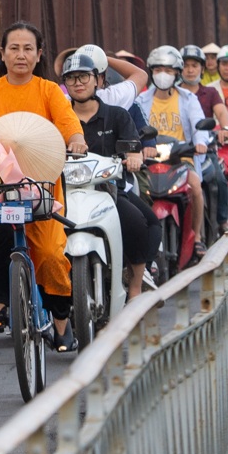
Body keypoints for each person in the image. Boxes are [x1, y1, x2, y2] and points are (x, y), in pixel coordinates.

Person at [0, 22, 89, 350]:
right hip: (1, 187)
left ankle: (60, 320)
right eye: (13, 48)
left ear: (39, 54)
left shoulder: (49, 91)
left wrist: (77, 139)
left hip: (42, 187)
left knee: (50, 255)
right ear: (2, 53)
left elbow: (69, 123)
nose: (20, 55)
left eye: (28, 48)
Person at [59, 46, 156, 299]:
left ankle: (135, 287)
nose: (78, 83)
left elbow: (133, 145)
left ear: (98, 79)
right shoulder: (58, 116)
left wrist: (134, 156)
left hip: (107, 190)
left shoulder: (118, 115)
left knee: (141, 223)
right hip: (65, 192)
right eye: (71, 77)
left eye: (84, 76)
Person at [138, 46, 210, 247]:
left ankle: (196, 237)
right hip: (150, 160)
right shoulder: (141, 100)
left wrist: (201, 143)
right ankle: (139, 242)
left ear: (177, 73)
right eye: (159, 70)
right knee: (134, 191)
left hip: (181, 159)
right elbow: (134, 127)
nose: (163, 75)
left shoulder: (188, 99)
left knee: (195, 186)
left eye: (169, 71)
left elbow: (198, 125)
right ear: (151, 72)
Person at [180, 45, 228, 238]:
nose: (190, 69)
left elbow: (221, 112)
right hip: (177, 151)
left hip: (204, 149)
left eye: (194, 65)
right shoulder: (173, 93)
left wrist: (224, 129)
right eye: (186, 65)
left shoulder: (210, 93)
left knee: (219, 178)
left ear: (202, 68)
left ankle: (222, 220)